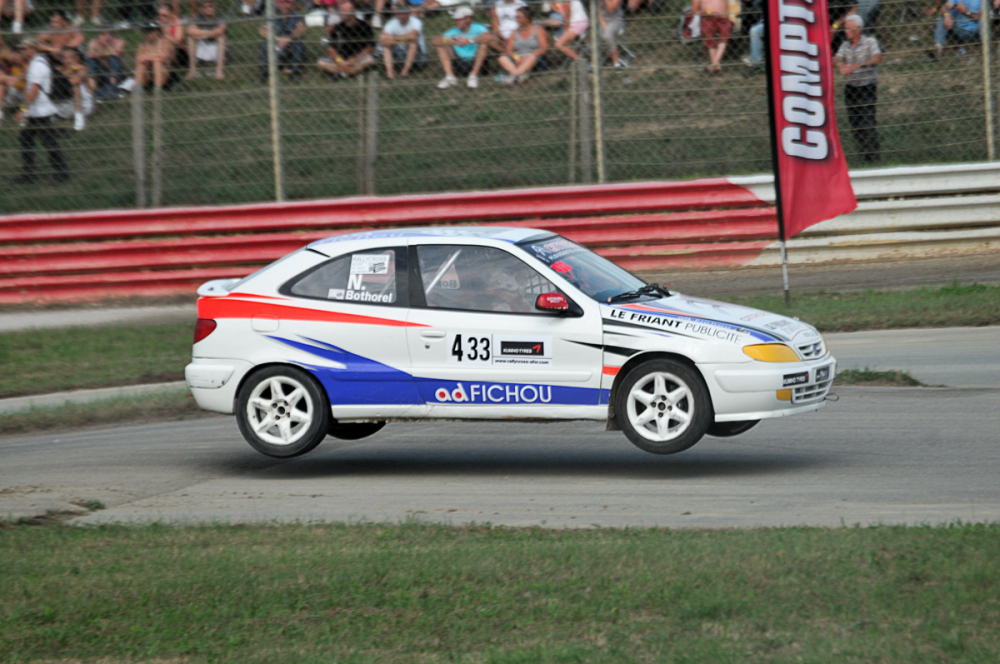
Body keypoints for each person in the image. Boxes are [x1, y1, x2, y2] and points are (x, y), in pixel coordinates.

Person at [12, 38, 68, 183]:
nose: (22, 51)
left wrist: (23, 109)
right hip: (37, 110)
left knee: (49, 142)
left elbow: (34, 90)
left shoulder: (37, 65)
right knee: (27, 138)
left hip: (42, 111)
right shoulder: (35, 63)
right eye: (21, 49)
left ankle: (60, 173)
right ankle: (29, 173)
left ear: (34, 49)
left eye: (25, 49)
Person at [835, 13, 881, 164]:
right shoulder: (845, 45)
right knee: (855, 123)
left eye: (848, 28)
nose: (845, 31)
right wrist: (841, 66)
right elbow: (838, 58)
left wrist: (858, 65)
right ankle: (863, 155)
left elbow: (877, 58)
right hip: (851, 89)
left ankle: (873, 158)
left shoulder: (869, 42)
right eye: (845, 28)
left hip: (866, 87)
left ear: (858, 29)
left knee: (867, 122)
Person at [434, 5, 490, 88]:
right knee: (440, 45)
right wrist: (447, 41)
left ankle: (473, 76)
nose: (457, 21)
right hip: (459, 62)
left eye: (459, 19)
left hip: (476, 60)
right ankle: (450, 77)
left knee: (484, 44)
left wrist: (470, 41)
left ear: (468, 19)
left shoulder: (478, 28)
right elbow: (434, 41)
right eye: (456, 19)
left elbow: (489, 37)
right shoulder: (453, 31)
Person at [318, 0, 375, 78]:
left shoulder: (364, 26)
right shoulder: (337, 28)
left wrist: (351, 61)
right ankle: (349, 72)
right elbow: (330, 50)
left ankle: (341, 73)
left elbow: (369, 49)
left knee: (369, 60)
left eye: (345, 11)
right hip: (340, 60)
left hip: (357, 60)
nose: (342, 13)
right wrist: (340, 61)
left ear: (353, 11)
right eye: (341, 11)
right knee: (321, 63)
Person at [497, 6, 548, 84]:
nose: (517, 19)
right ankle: (519, 74)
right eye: (516, 17)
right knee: (502, 58)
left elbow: (544, 48)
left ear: (527, 18)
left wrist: (529, 56)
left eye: (519, 17)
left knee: (531, 58)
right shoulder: (514, 32)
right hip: (518, 58)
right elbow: (508, 50)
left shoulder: (538, 30)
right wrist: (517, 57)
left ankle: (514, 75)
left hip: (534, 59)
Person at [258, 0, 305, 82]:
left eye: (288, 3)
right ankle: (264, 73)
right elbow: (262, 31)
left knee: (298, 41)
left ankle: (294, 72)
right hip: (276, 46)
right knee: (265, 42)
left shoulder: (296, 16)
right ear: (277, 4)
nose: (285, 5)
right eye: (282, 3)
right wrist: (277, 39)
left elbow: (301, 29)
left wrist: (289, 38)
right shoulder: (272, 15)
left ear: (292, 4)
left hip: (290, 48)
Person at [186, 0, 227, 80]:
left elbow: (220, 30)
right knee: (190, 38)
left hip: (216, 47)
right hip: (203, 46)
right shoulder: (199, 17)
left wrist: (203, 35)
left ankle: (219, 70)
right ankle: (192, 69)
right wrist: (208, 32)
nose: (209, 9)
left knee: (221, 37)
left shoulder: (221, 16)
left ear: (215, 7)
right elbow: (189, 30)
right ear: (202, 9)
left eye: (211, 6)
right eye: (206, 7)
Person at [378, 7, 424, 79]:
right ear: (396, 14)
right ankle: (390, 74)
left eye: (405, 13)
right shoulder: (391, 23)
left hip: (418, 57)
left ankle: (404, 73)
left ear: (409, 14)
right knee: (386, 46)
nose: (402, 16)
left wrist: (393, 38)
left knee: (413, 43)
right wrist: (404, 40)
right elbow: (383, 40)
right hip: (398, 54)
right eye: (400, 13)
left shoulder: (416, 22)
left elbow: (413, 36)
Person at [55, 46, 94, 130]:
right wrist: (69, 71)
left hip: (83, 105)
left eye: (71, 57)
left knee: (75, 86)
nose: (68, 60)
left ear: (77, 58)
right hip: (66, 104)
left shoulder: (82, 69)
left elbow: (75, 80)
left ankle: (79, 119)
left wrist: (71, 70)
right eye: (65, 58)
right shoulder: (59, 69)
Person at [86, 25, 125, 99]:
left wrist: (101, 50)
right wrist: (106, 52)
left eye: (109, 34)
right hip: (101, 70)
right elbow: (89, 55)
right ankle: (92, 89)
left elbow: (116, 53)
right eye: (102, 34)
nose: (106, 37)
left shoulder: (119, 41)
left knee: (114, 58)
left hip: (117, 71)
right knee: (91, 61)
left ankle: (112, 87)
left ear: (113, 34)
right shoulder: (94, 41)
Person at [692, 0, 730, 74]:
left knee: (726, 30)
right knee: (707, 30)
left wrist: (725, 13)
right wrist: (704, 12)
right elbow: (695, 11)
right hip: (708, 18)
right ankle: (716, 64)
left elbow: (726, 7)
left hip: (723, 18)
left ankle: (714, 64)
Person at [135, 22, 175, 90]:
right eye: (146, 32)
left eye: (150, 32)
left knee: (157, 63)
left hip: (163, 72)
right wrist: (155, 56)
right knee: (142, 65)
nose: (147, 34)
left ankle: (157, 91)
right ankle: (137, 92)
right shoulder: (143, 44)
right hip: (148, 74)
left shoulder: (164, 42)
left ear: (157, 32)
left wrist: (147, 56)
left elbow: (164, 57)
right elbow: (138, 59)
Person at [157, 5, 190, 76]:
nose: (161, 17)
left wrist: (164, 33)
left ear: (171, 15)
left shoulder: (177, 22)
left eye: (164, 15)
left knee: (168, 42)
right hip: (161, 49)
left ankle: (166, 67)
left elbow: (177, 41)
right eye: (159, 15)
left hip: (179, 51)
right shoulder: (158, 24)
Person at [0, 42, 26, 124]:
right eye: (14, 53)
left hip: (25, 94)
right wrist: (11, 79)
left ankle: (23, 112)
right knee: (1, 86)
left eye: (19, 54)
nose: (16, 57)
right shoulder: (9, 65)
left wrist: (15, 79)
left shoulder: (29, 64)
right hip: (12, 93)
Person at [599, 0, 625, 68]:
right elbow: (598, 12)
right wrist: (603, 24)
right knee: (596, 34)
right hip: (604, 21)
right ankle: (594, 64)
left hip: (616, 20)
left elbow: (611, 8)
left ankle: (616, 61)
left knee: (607, 36)